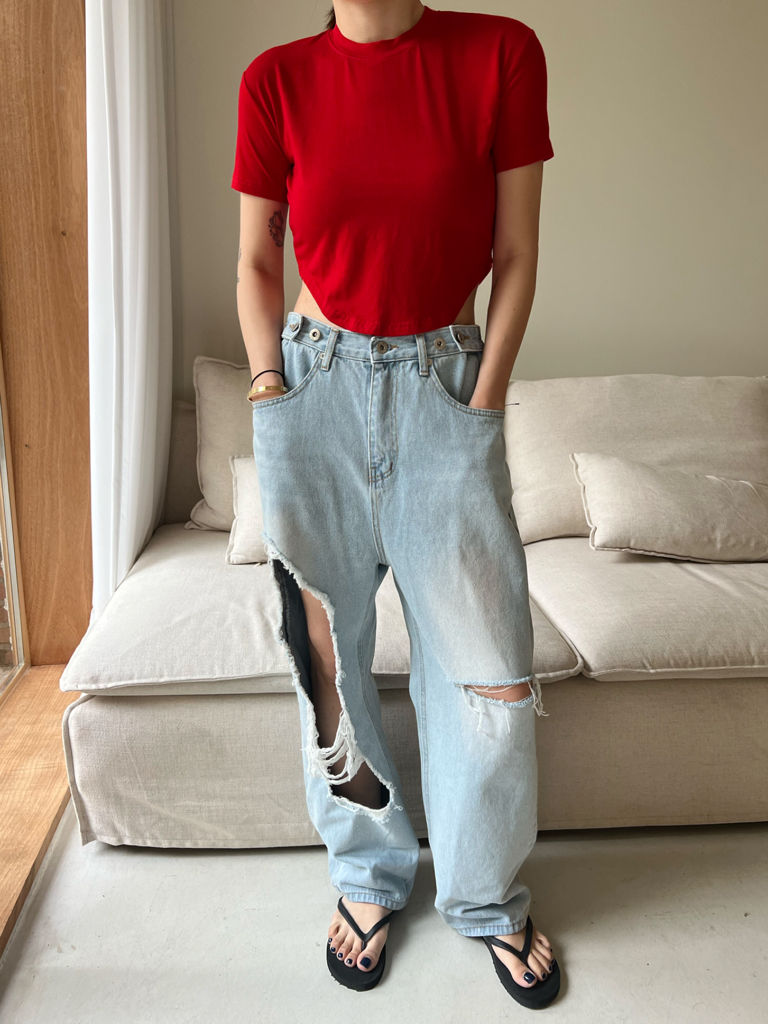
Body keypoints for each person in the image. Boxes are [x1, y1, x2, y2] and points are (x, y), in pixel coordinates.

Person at [232, 0, 560, 1009]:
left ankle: (485, 893)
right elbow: (256, 260)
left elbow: (515, 254)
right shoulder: (277, 80)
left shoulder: (501, 54)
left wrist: (485, 400)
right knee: (325, 664)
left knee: (489, 675)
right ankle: (368, 875)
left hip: (445, 392)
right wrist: (269, 390)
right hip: (311, 392)